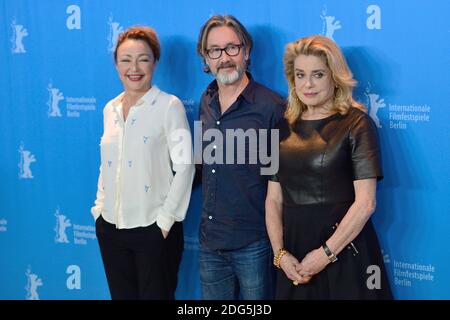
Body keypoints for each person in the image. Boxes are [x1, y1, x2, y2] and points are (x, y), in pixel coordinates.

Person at [265, 35, 392, 299]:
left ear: (334, 77)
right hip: (294, 259)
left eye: (318, 74)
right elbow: (273, 200)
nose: (307, 84)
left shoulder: (357, 124)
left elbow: (366, 203)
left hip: (346, 253)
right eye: (300, 75)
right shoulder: (279, 129)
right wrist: (280, 255)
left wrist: (325, 254)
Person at [91, 26, 195, 300]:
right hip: (111, 229)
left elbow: (185, 167)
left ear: (155, 62)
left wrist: (164, 222)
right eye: (126, 59)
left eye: (143, 58)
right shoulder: (109, 108)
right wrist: (100, 210)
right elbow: (108, 164)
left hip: (153, 229)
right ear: (116, 64)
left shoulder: (169, 106)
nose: (134, 68)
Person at [196, 15, 285, 300]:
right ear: (206, 58)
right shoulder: (206, 100)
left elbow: (280, 180)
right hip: (210, 242)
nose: (225, 58)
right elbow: (203, 162)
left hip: (254, 243)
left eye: (232, 48)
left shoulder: (271, 107)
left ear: (246, 52)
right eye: (215, 50)